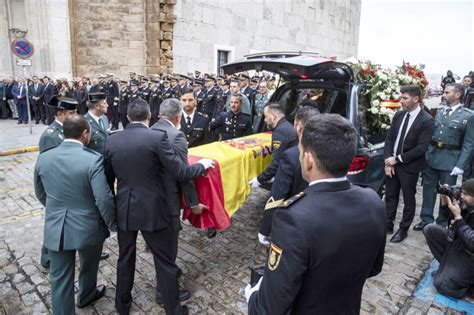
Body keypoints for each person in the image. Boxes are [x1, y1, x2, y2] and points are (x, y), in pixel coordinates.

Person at [245, 114, 386, 314]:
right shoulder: (373, 201)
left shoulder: (292, 219)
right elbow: (374, 267)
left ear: (309, 159)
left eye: (301, 152)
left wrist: (252, 296)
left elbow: (269, 308)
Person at [104, 99, 214, 315]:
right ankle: (173, 310)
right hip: (153, 209)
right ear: (149, 117)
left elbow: (107, 181)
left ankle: (122, 305)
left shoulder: (112, 140)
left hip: (125, 207)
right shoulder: (157, 138)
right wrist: (201, 166)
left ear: (127, 118)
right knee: (164, 261)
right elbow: (180, 172)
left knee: (125, 258)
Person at [34, 114, 117, 314]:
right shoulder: (93, 159)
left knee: (60, 278)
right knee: (89, 265)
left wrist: (57, 211)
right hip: (88, 226)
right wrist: (112, 224)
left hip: (57, 227)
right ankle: (86, 295)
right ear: (85, 134)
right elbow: (103, 198)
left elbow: (40, 193)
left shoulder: (44, 157)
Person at [414, 84, 474, 230]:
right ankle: (426, 219)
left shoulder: (468, 115)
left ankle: (442, 221)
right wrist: (427, 153)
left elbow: (469, 143)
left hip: (450, 160)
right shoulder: (439, 111)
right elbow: (429, 134)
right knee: (428, 189)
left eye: (447, 92)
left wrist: (461, 165)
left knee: (446, 193)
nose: (444, 94)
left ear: (458, 95)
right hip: (433, 156)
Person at [258, 106, 318, 244]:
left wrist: (265, 228)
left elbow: (278, 195)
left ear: (298, 126)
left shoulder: (290, 156)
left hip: (293, 219)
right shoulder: (326, 149)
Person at [384, 85, 435, 243]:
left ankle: (403, 229)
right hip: (392, 163)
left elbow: (421, 148)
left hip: (409, 166)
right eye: (401, 97)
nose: (401, 101)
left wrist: (397, 159)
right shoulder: (399, 115)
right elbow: (390, 138)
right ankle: (388, 223)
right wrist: (388, 160)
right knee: (390, 195)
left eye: (405, 98)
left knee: (408, 198)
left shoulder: (427, 120)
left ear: (416, 99)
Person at [423, 179, 474, 299]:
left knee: (441, 285)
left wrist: (459, 217)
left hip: (470, 257)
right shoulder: (468, 205)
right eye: (462, 192)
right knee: (430, 229)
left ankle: (468, 287)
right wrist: (445, 204)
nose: (461, 195)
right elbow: (446, 219)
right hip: (459, 245)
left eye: (466, 194)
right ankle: (447, 269)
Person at [249, 103, 298, 190]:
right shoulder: (286, 125)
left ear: (273, 117)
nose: (264, 120)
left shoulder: (280, 132)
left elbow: (276, 162)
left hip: (290, 177)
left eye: (266, 116)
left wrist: (259, 179)